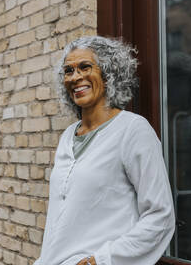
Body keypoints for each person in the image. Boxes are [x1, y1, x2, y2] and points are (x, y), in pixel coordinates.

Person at [34, 36, 175, 265]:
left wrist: (100, 260)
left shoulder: (132, 130)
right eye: (68, 71)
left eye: (85, 67)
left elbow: (160, 217)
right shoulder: (67, 136)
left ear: (108, 73)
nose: (75, 77)